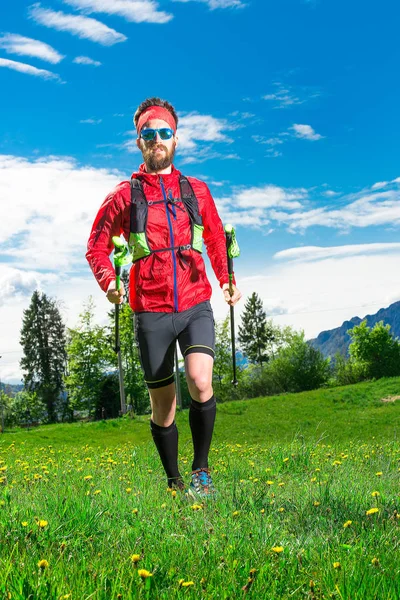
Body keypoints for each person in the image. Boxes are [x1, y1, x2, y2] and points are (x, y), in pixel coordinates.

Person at [86, 97, 241, 498]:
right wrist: (109, 283)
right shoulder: (124, 195)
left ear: (176, 138)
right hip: (150, 310)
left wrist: (226, 279)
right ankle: (174, 482)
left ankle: (201, 471)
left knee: (200, 381)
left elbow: (215, 237)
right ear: (139, 141)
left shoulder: (196, 190)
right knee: (164, 407)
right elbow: (96, 247)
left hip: (194, 302)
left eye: (164, 133)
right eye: (148, 134)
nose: (157, 140)